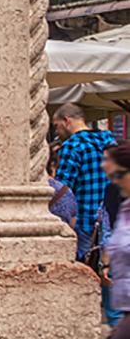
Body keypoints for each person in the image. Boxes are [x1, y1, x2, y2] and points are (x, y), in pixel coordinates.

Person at [57, 105, 116, 266]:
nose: (56, 131)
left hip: (83, 219)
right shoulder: (110, 142)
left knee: (83, 268)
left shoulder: (72, 146)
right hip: (111, 218)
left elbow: (63, 190)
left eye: (57, 126)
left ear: (66, 121)